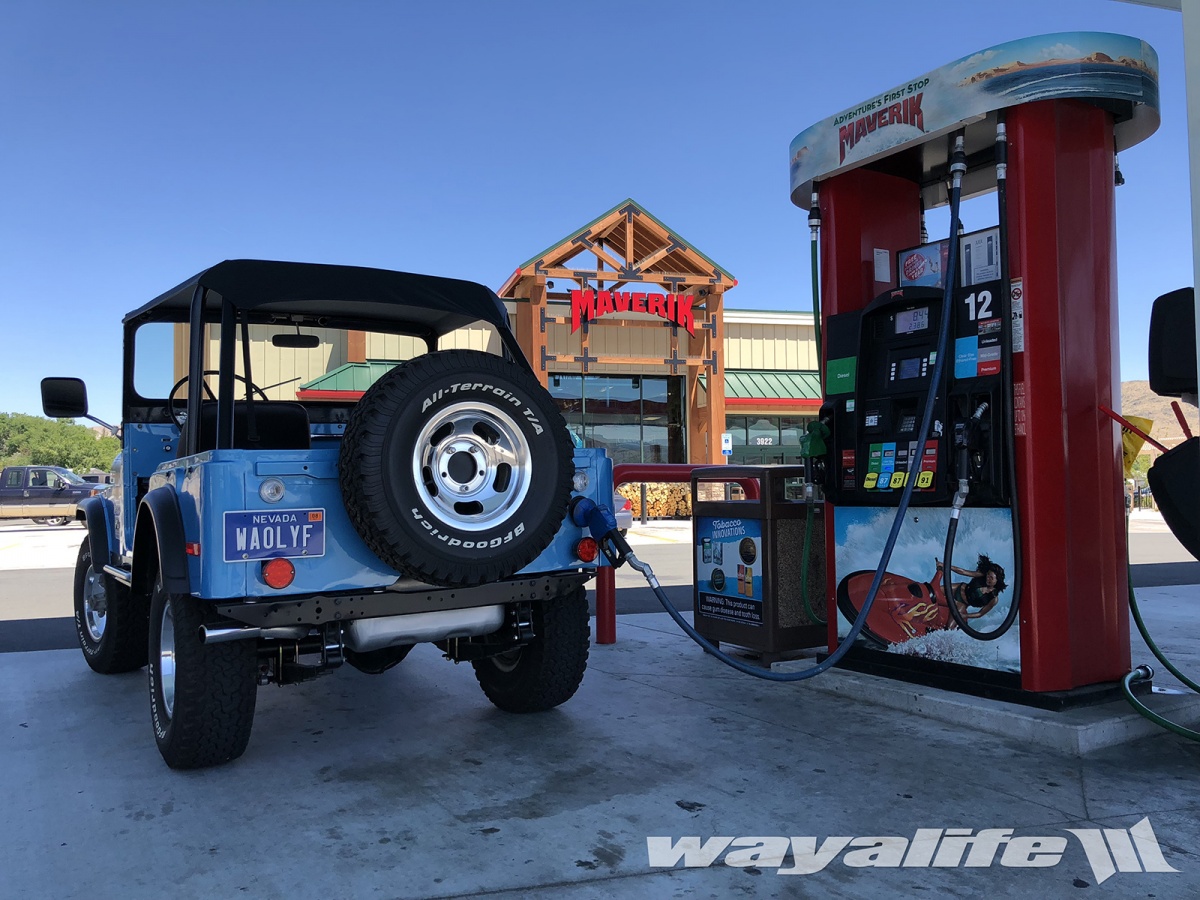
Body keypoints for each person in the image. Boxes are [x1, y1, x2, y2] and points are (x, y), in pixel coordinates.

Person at [934, 554, 1007, 621]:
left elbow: (980, 614)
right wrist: (943, 565)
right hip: (958, 589)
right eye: (988, 575)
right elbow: (963, 572)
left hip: (962, 603)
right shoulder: (981, 575)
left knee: (949, 628)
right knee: (934, 591)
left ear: (998, 580)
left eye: (991, 578)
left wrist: (964, 615)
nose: (988, 578)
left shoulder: (993, 599)